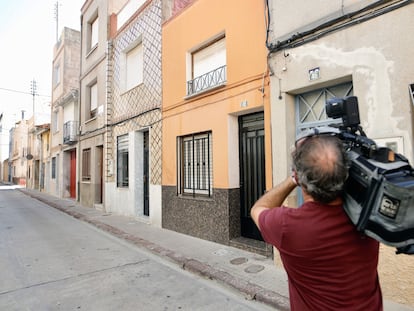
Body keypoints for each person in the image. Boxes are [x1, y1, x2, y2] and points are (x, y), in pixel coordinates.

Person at [251, 134, 383, 310]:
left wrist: (292, 180)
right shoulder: (370, 213)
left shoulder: (287, 226)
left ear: (300, 178)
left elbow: (257, 209)